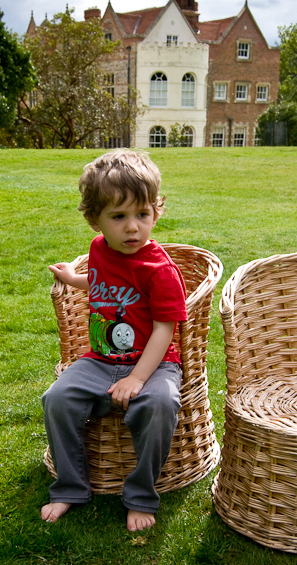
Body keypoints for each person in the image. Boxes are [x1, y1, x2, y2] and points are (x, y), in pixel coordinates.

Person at [41, 149, 187, 532]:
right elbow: (102, 282)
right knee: (56, 398)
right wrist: (74, 279)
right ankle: (70, 487)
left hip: (153, 364)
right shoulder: (99, 250)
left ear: (157, 211)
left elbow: (164, 329)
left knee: (159, 403)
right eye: (118, 217)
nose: (133, 228)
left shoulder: (160, 271)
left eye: (142, 214)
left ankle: (140, 495)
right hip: (101, 359)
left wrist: (137, 379)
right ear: (95, 220)